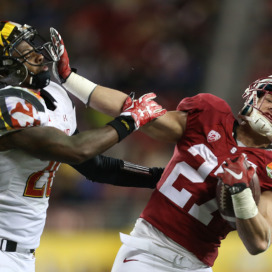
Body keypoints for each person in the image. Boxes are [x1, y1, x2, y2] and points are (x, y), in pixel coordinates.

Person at [52, 30, 272, 271]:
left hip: (198, 265)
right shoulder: (211, 113)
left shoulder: (267, 166)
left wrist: (241, 195)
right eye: (271, 99)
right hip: (148, 252)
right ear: (255, 95)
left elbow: (259, 242)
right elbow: (136, 111)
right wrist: (70, 79)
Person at [0, 21, 167, 272]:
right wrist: (131, 120)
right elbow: (76, 150)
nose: (39, 54)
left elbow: (94, 166)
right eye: (24, 52)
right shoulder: (9, 103)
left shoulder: (54, 94)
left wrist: (161, 178)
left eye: (34, 45)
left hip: (22, 254)